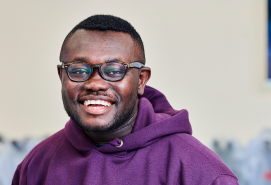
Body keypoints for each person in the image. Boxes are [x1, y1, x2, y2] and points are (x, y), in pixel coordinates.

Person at [12, 15, 239, 185]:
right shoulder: (37, 165)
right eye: (79, 70)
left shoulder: (199, 171)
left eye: (113, 70)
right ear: (62, 77)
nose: (95, 83)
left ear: (141, 80)